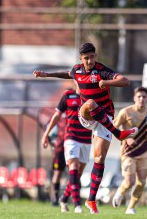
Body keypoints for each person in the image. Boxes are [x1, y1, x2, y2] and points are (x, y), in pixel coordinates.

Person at [34, 42, 138, 214]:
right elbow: (67, 74)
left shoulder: (102, 70)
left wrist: (107, 82)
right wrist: (47, 75)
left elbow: (125, 81)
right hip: (87, 116)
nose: (89, 61)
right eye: (86, 58)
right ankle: (118, 133)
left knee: (99, 158)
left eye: (91, 57)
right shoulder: (77, 71)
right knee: (90, 103)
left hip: (105, 117)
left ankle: (91, 200)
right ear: (81, 59)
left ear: (96, 56)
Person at [41, 85, 92, 213]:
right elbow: (55, 116)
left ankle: (63, 198)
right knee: (71, 169)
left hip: (86, 139)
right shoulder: (68, 96)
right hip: (70, 138)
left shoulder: (92, 96)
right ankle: (76, 205)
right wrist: (46, 134)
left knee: (77, 174)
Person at [112, 86, 147, 214]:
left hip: (143, 152)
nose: (141, 99)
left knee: (142, 181)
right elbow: (113, 128)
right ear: (134, 98)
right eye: (139, 96)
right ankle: (120, 192)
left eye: (144, 97)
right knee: (129, 181)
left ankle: (131, 207)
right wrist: (126, 138)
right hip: (128, 152)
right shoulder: (125, 112)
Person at [46, 120, 66, 207]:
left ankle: (76, 199)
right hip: (60, 150)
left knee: (76, 172)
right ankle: (55, 198)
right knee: (57, 173)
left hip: (72, 147)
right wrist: (54, 143)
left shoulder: (75, 112)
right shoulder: (57, 116)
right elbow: (50, 133)